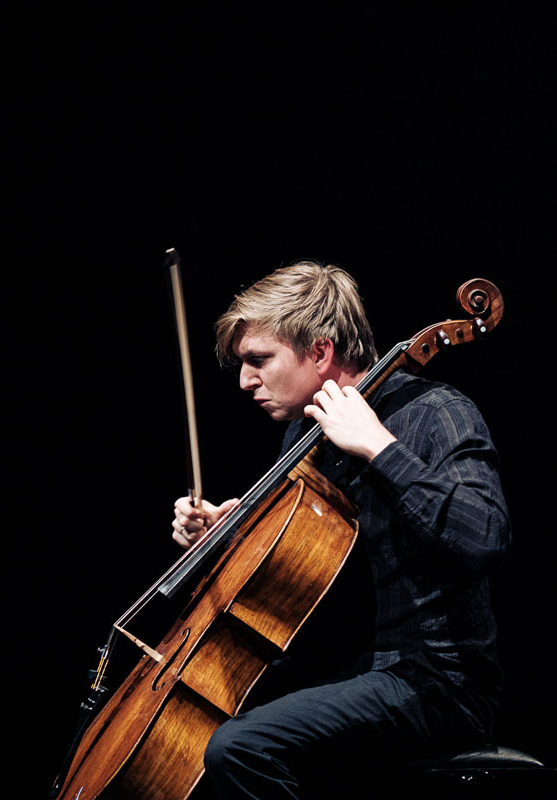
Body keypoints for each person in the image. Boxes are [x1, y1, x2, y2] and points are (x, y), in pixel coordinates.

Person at [170, 261, 508, 799]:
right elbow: (303, 568)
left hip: (435, 678)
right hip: (342, 670)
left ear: (321, 352)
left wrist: (380, 448)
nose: (244, 380)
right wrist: (226, 537)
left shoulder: (435, 412)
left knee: (243, 746)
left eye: (259, 360)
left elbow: (484, 535)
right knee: (188, 742)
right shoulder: (306, 438)